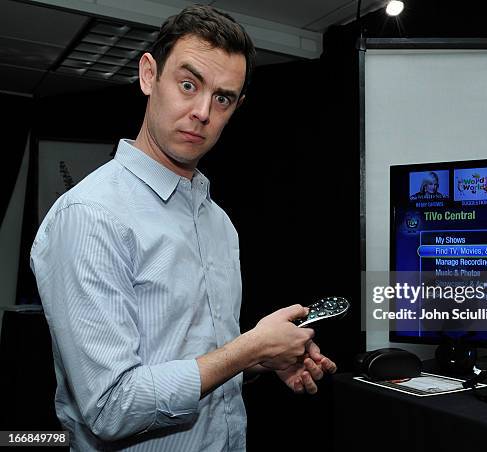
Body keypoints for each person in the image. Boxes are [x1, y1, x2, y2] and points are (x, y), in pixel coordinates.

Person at [30, 5, 336, 451]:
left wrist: (259, 361)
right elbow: (111, 408)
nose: (202, 112)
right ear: (149, 75)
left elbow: (196, 360)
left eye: (223, 98)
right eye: (188, 85)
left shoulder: (219, 223)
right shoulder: (90, 214)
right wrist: (248, 349)